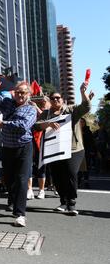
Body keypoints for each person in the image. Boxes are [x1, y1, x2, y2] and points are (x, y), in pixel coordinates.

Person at [0, 69, 37, 227]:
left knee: (22, 179)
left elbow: (22, 126)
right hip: (7, 147)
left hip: (24, 147)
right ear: (14, 93)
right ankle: (12, 198)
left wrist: (3, 124)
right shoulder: (7, 103)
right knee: (8, 179)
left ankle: (20, 214)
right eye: (17, 92)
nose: (20, 95)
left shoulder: (30, 109)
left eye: (23, 92)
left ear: (28, 95)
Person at [34, 86, 92, 215]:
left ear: (62, 99)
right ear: (50, 100)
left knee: (71, 173)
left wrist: (83, 92)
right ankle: (63, 201)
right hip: (54, 149)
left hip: (73, 149)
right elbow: (37, 126)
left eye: (58, 98)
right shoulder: (46, 113)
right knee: (57, 176)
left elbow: (86, 107)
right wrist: (48, 123)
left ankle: (71, 203)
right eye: (53, 98)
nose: (55, 100)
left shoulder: (71, 110)